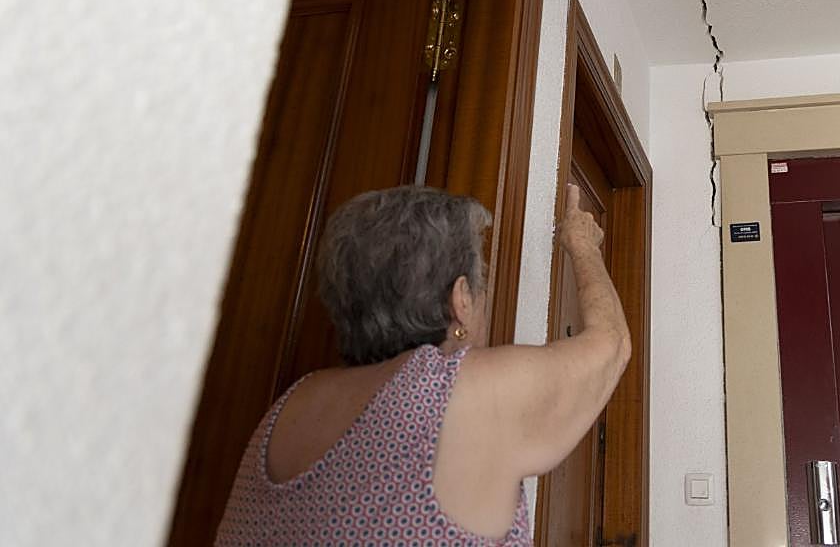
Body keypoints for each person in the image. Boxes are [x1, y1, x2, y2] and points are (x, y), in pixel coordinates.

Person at [215, 183, 629, 546]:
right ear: (460, 299)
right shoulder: (452, 393)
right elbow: (610, 346)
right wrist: (583, 245)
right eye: (481, 280)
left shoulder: (290, 404)